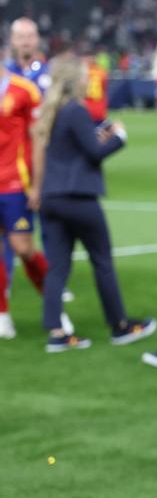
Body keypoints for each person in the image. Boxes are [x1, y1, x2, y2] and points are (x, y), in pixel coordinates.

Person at [29, 55, 157, 352]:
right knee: (102, 262)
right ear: (76, 79)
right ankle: (120, 325)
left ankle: (57, 332)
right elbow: (93, 153)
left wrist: (98, 135)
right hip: (79, 198)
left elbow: (71, 147)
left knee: (57, 268)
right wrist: (119, 137)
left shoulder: (50, 111)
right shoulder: (75, 109)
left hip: (52, 197)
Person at [0, 21, 57, 338]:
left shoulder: (26, 88)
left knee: (24, 247)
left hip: (14, 182)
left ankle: (53, 305)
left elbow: (38, 137)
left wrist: (37, 182)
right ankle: (2, 314)